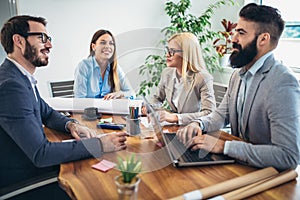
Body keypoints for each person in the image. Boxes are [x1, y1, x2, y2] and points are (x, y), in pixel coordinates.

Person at [0, 15, 127, 199]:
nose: (49, 45)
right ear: (18, 41)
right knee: (102, 186)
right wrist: (99, 144)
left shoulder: (20, 77)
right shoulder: (11, 85)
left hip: (31, 165)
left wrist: (72, 125)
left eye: (48, 39)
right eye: (42, 38)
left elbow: (47, 113)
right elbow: (41, 154)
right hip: (26, 179)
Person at [176, 3, 300, 171]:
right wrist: (198, 124)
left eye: (241, 33)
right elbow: (220, 115)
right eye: (235, 31)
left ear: (263, 39)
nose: (233, 38)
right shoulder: (238, 74)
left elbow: (288, 155)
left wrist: (224, 147)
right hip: (237, 167)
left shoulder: (282, 82)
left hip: (266, 178)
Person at [142, 32, 216, 125]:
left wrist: (176, 117)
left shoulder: (202, 78)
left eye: (172, 51)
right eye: (167, 50)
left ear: (186, 54)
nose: (167, 55)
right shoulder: (167, 73)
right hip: (174, 128)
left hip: (194, 129)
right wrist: (150, 108)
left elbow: (210, 113)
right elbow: (157, 98)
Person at [74, 29, 134, 100]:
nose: (107, 46)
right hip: (89, 110)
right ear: (93, 46)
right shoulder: (84, 66)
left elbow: (131, 93)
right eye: (103, 43)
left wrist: (119, 93)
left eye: (111, 43)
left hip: (108, 110)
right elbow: (79, 100)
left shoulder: (115, 67)